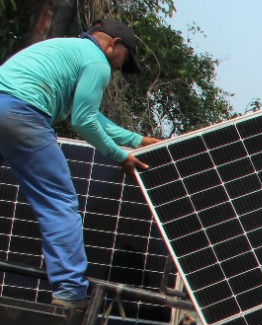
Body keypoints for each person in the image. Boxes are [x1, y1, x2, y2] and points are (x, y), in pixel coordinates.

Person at [0, 18, 160, 305]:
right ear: (115, 44)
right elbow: (83, 120)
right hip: (23, 114)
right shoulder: (97, 62)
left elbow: (89, 113)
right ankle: (70, 291)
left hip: (6, 103)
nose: (119, 68)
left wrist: (136, 140)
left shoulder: (69, 48)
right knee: (59, 202)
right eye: (123, 61)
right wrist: (120, 155)